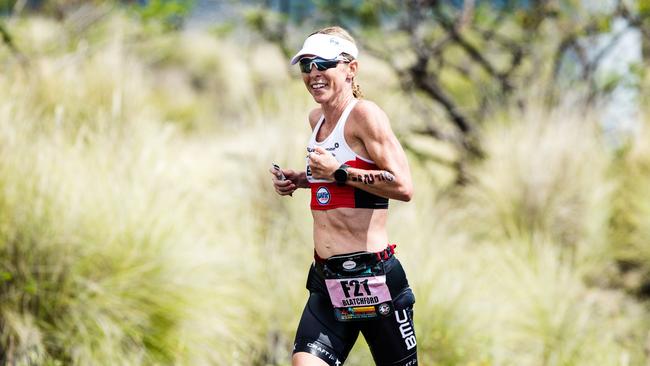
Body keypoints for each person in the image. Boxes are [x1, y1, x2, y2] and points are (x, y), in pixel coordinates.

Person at [270, 26, 417, 366]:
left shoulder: (366, 115)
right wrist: (303, 179)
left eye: (324, 63)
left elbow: (403, 185)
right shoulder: (316, 119)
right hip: (327, 279)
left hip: (372, 276)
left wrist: (338, 172)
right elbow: (337, 179)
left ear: (351, 69)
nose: (314, 73)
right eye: (306, 65)